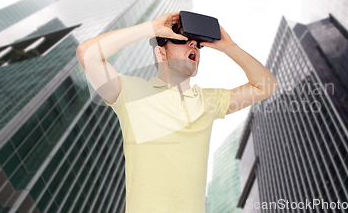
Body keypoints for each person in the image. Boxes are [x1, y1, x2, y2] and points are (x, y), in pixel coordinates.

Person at [76, 11, 278, 213]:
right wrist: (152, 28)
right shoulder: (132, 93)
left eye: (197, 44)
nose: (193, 45)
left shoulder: (208, 101)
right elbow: (87, 54)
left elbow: (266, 87)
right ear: (161, 52)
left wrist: (229, 48)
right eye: (182, 40)